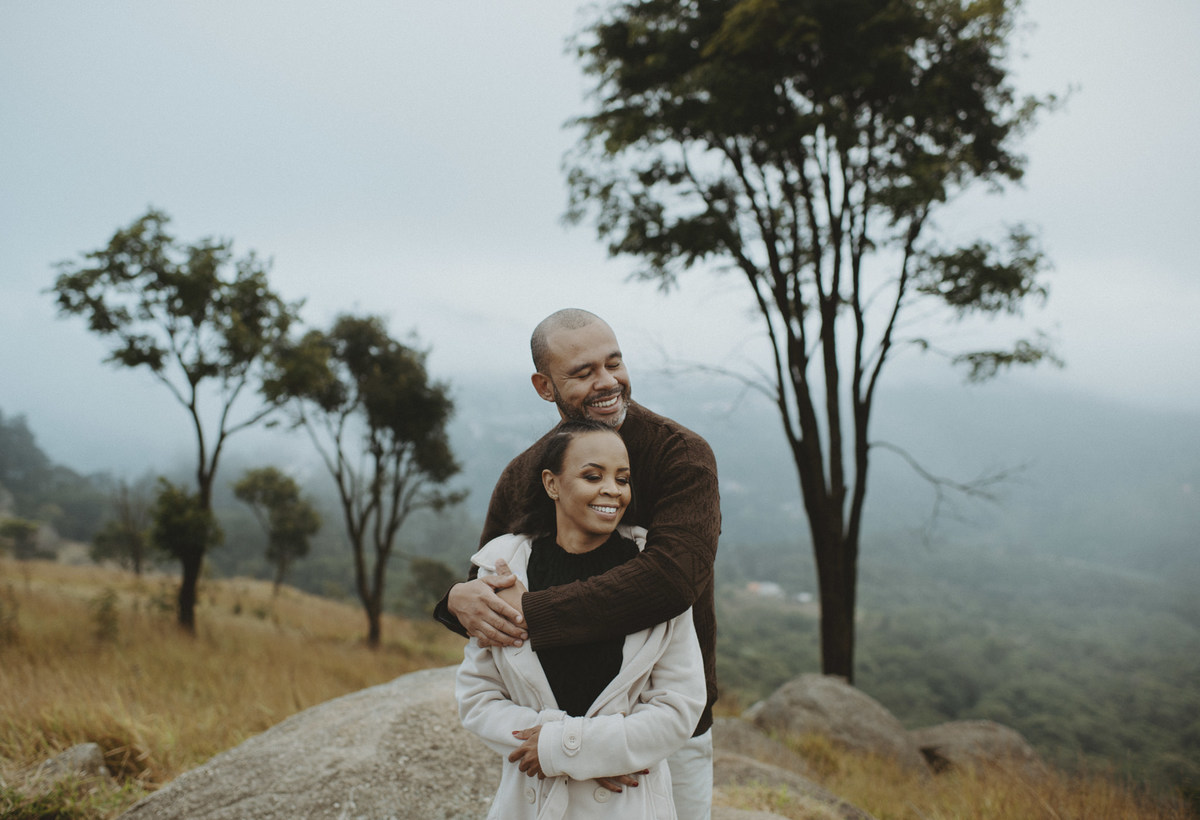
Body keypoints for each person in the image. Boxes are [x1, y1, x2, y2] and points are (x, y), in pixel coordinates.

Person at [435, 308, 720, 819]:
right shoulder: (525, 473)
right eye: (584, 373)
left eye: (614, 363)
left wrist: (597, 747)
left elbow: (673, 581)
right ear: (544, 386)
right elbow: (494, 588)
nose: (607, 382)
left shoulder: (682, 455)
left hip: (658, 738)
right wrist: (456, 601)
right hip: (544, 740)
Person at [456, 420, 706, 819]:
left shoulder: (653, 573)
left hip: (627, 803)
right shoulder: (505, 569)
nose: (613, 489)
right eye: (593, 475)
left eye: (622, 479)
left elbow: (679, 705)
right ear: (552, 484)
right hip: (532, 802)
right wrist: (570, 752)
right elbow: (478, 696)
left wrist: (568, 747)